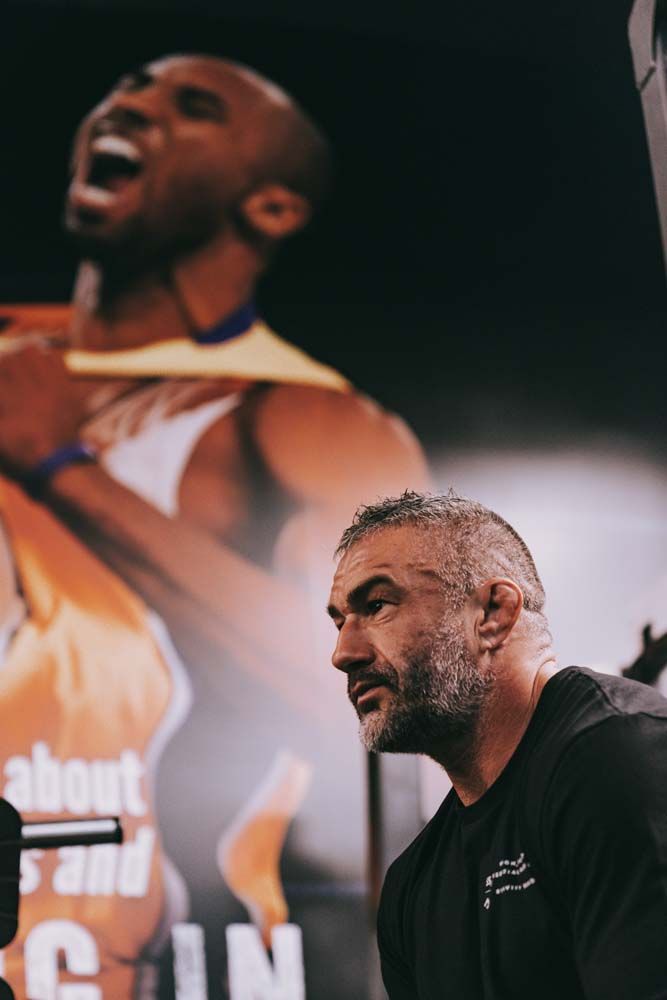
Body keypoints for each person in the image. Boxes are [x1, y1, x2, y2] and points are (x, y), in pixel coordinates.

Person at [0, 55, 428, 999]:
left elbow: (374, 702)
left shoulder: (310, 421)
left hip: (165, 935)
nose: (131, 106)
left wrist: (64, 471)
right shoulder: (15, 347)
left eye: (190, 109)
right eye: (127, 88)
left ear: (269, 208)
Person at [327, 490, 667, 1000]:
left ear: (493, 612)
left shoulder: (621, 760)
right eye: (338, 621)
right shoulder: (412, 889)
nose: (343, 653)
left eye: (376, 605)